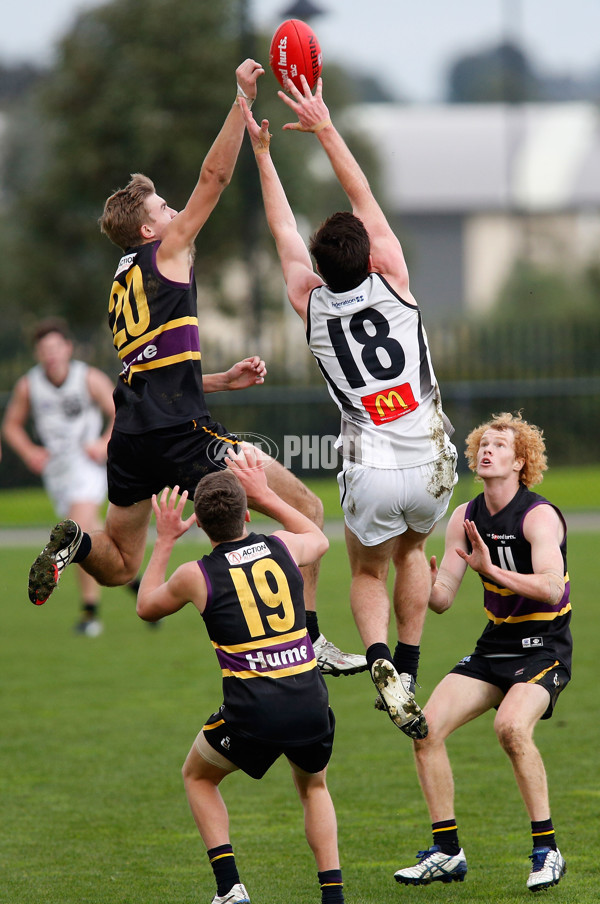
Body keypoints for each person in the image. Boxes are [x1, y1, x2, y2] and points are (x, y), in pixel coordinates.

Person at [26, 60, 365, 677]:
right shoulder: (168, 251)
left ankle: (75, 544)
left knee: (123, 562)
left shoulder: (119, 285)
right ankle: (311, 639)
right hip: (184, 438)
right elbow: (215, 176)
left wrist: (219, 380)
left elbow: (147, 377)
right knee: (310, 514)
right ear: (150, 227)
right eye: (165, 204)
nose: (176, 208)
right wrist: (240, 100)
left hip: (134, 438)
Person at [239, 76, 457, 738]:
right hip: (428, 448)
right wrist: (326, 126)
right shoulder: (392, 270)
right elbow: (362, 194)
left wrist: (264, 155)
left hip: (369, 457)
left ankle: (381, 659)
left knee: (366, 565)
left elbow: (281, 226)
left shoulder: (310, 302)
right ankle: (412, 670)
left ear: (321, 266)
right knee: (414, 551)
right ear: (369, 253)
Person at [136, 446, 345, 904]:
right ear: (246, 514)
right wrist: (266, 494)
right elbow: (320, 537)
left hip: (254, 709)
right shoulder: (283, 545)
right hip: (310, 698)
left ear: (200, 523)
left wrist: (166, 539)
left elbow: (145, 605)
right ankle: (333, 895)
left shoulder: (196, 575)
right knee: (314, 786)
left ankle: (230, 888)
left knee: (197, 776)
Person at [394, 412, 570, 892]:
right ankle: (447, 852)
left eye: (499, 445)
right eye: (482, 445)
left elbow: (553, 589)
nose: (486, 450)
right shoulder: (464, 517)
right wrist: (417, 575)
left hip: (543, 647)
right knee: (425, 730)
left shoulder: (539, 516)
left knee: (511, 728)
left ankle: (546, 850)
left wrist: (493, 571)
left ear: (521, 461)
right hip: (495, 646)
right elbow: (444, 598)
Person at [3, 317, 115, 636]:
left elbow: (119, 411)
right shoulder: (29, 385)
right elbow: (11, 426)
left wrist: (103, 442)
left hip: (88, 467)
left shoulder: (87, 378)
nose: (50, 354)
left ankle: (90, 614)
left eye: (55, 347)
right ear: (38, 353)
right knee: (95, 538)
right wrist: (29, 451)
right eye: (44, 349)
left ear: (67, 348)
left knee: (74, 532)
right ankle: (129, 579)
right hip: (57, 473)